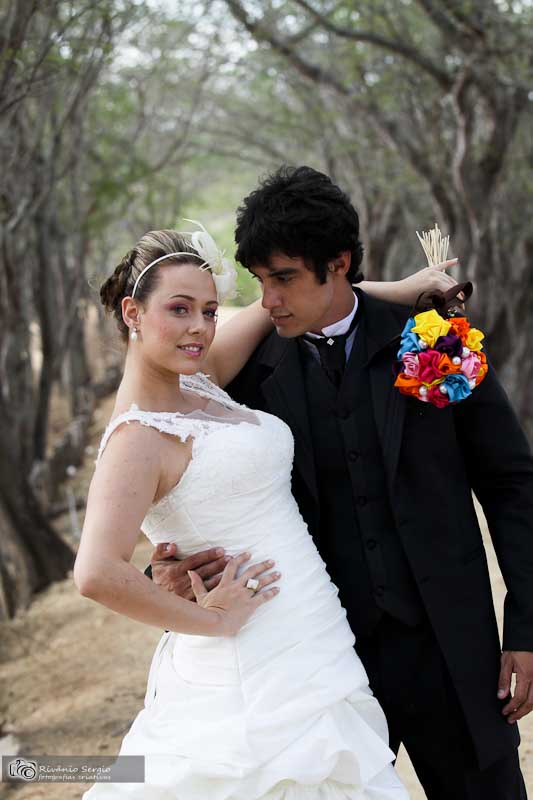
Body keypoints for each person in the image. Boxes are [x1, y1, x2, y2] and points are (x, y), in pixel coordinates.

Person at [150, 167, 533, 799]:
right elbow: (204, 489)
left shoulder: (438, 339)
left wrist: (525, 628)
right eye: (259, 280)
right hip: (325, 665)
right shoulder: (248, 377)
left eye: (284, 278)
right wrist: (166, 568)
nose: (268, 300)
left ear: (339, 264)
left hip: (451, 650)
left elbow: (512, 484)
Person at [74, 223, 454, 799]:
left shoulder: (201, 382)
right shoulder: (137, 437)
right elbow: (96, 573)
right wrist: (213, 621)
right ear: (133, 313)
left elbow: (299, 299)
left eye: (208, 311)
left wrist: (403, 288)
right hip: (250, 657)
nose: (199, 327)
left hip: (313, 634)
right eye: (179, 309)